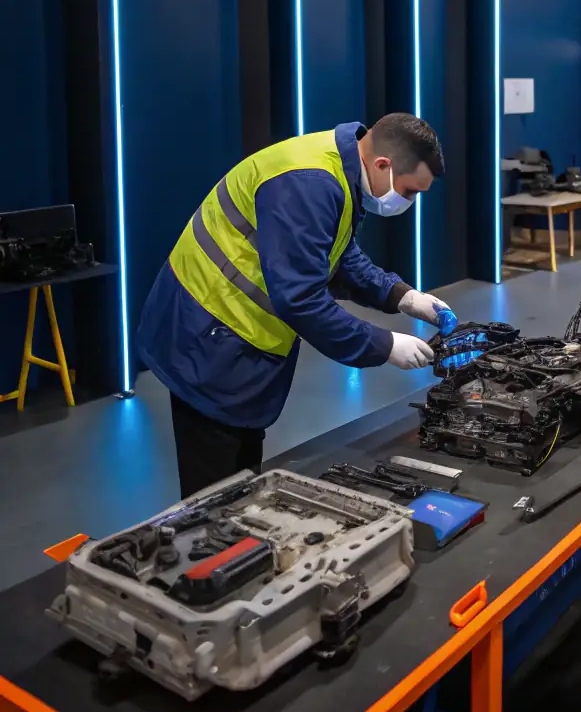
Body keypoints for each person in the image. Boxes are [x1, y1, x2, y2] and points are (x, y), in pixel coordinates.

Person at [137, 114, 449, 499]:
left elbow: (336, 255)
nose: (409, 201)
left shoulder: (340, 169)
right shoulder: (309, 183)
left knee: (240, 480)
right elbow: (300, 299)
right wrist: (384, 345)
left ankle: (237, 545)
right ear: (384, 165)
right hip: (206, 335)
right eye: (410, 191)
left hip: (235, 338)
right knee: (211, 498)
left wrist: (401, 295)